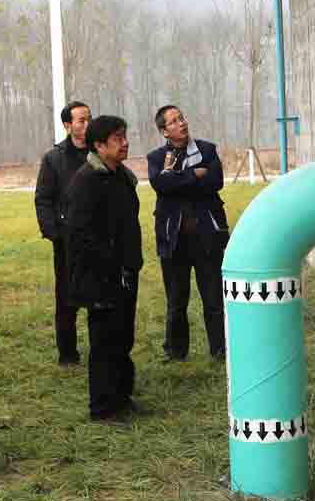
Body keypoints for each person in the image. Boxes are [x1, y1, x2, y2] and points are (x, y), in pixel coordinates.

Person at [66, 115, 143, 422]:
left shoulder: (121, 175)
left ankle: (122, 397)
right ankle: (102, 407)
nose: (125, 143)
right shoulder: (86, 181)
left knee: (123, 337)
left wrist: (130, 263)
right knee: (104, 342)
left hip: (125, 272)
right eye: (117, 139)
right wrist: (110, 264)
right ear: (99, 146)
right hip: (100, 277)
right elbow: (81, 235)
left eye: (125, 136)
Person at [147, 106, 228, 361]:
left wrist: (177, 180)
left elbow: (215, 182)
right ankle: (175, 351)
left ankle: (220, 350)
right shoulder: (156, 158)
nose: (181, 123)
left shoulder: (207, 150)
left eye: (181, 118)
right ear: (164, 131)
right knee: (176, 301)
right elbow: (161, 184)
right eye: (173, 121)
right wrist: (194, 174)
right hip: (174, 241)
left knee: (213, 299)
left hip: (206, 237)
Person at [34, 100, 92, 366]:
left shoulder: (99, 152)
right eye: (81, 120)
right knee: (67, 300)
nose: (87, 124)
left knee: (100, 297)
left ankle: (102, 349)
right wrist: (54, 233)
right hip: (67, 241)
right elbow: (43, 199)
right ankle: (67, 354)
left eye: (89, 118)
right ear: (68, 126)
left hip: (99, 238)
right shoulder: (54, 159)